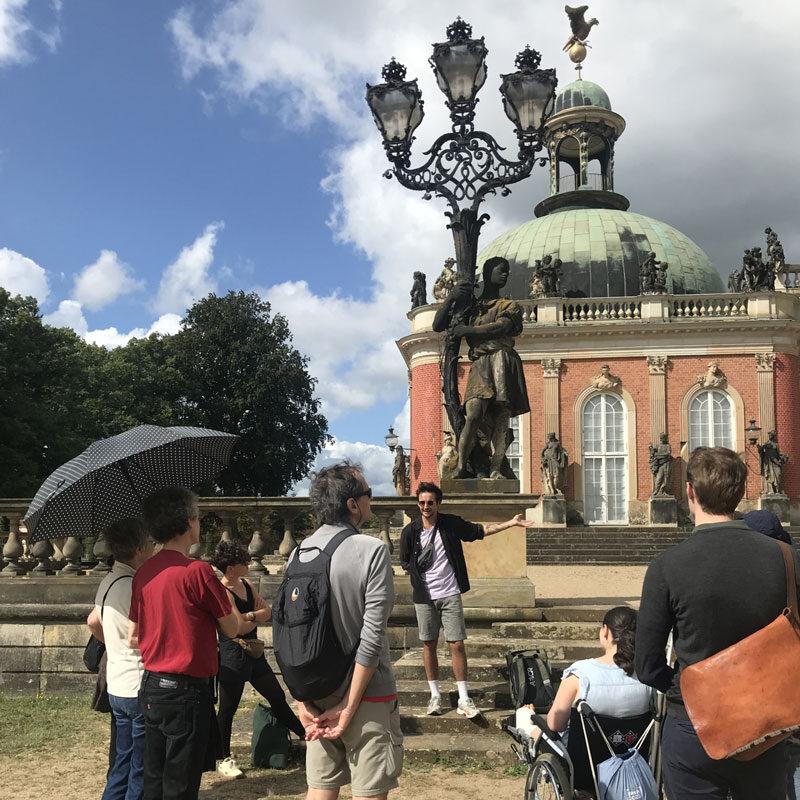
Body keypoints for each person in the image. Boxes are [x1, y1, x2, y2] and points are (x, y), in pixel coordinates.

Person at [635, 447, 795, 799]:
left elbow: (646, 667)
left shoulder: (667, 567)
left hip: (694, 726)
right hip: (766, 725)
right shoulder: (787, 558)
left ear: (690, 491)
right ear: (741, 493)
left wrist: (693, 693)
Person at [128, 487, 241, 800]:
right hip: (186, 690)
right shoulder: (198, 572)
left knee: (154, 778)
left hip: (152, 686)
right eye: (198, 517)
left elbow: (134, 633)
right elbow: (231, 628)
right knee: (180, 784)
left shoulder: (143, 572)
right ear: (189, 522)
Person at [297, 461, 401, 800]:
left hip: (316, 693)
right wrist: (348, 705)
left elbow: (291, 632)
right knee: (369, 790)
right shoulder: (372, 550)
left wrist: (301, 699)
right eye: (368, 494)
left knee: (320, 789)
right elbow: (371, 640)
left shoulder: (299, 552)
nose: (372, 500)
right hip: (366, 693)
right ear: (352, 504)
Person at [399, 481, 536, 718]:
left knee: (457, 644)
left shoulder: (451, 524)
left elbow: (480, 530)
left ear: (438, 503)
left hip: (450, 593)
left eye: (430, 502)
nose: (426, 507)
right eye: (422, 502)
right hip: (425, 597)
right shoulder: (410, 532)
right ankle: (435, 696)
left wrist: (511, 524)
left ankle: (463, 697)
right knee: (429, 644)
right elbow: (404, 562)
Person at [211, 539, 305, 778]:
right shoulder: (223, 591)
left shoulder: (246, 583)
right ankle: (223, 757)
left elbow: (267, 612)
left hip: (253, 652)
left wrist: (249, 615)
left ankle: (307, 736)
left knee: (277, 696)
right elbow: (238, 628)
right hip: (233, 655)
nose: (247, 563)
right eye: (243, 561)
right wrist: (253, 617)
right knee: (228, 708)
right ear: (231, 568)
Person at [87, 518, 154, 800]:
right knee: (139, 768)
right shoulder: (133, 586)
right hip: (136, 683)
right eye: (150, 543)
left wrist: (113, 644)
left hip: (116, 683)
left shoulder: (108, 580)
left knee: (121, 764)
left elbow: (93, 620)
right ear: (139, 549)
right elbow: (137, 638)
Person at [519, 606, 652, 742]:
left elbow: (555, 725)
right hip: (633, 755)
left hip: (584, 758)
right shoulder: (647, 676)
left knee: (523, 715)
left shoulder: (580, 673)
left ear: (605, 631)